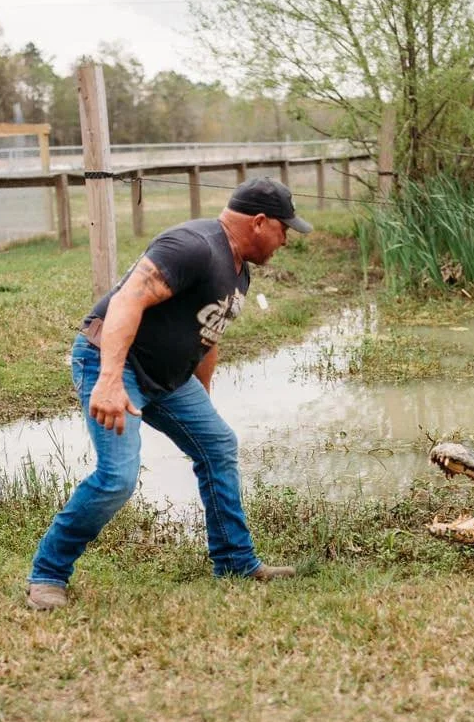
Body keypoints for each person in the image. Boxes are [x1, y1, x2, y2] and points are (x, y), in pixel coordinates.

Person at [25, 177, 311, 610]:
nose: (286, 239)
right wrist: (110, 380)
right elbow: (125, 302)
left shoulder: (238, 271)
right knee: (117, 478)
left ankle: (235, 561)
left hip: (169, 380)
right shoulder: (192, 245)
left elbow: (206, 336)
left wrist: (204, 403)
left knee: (217, 444)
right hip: (113, 364)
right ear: (258, 221)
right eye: (284, 228)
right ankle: (47, 575)